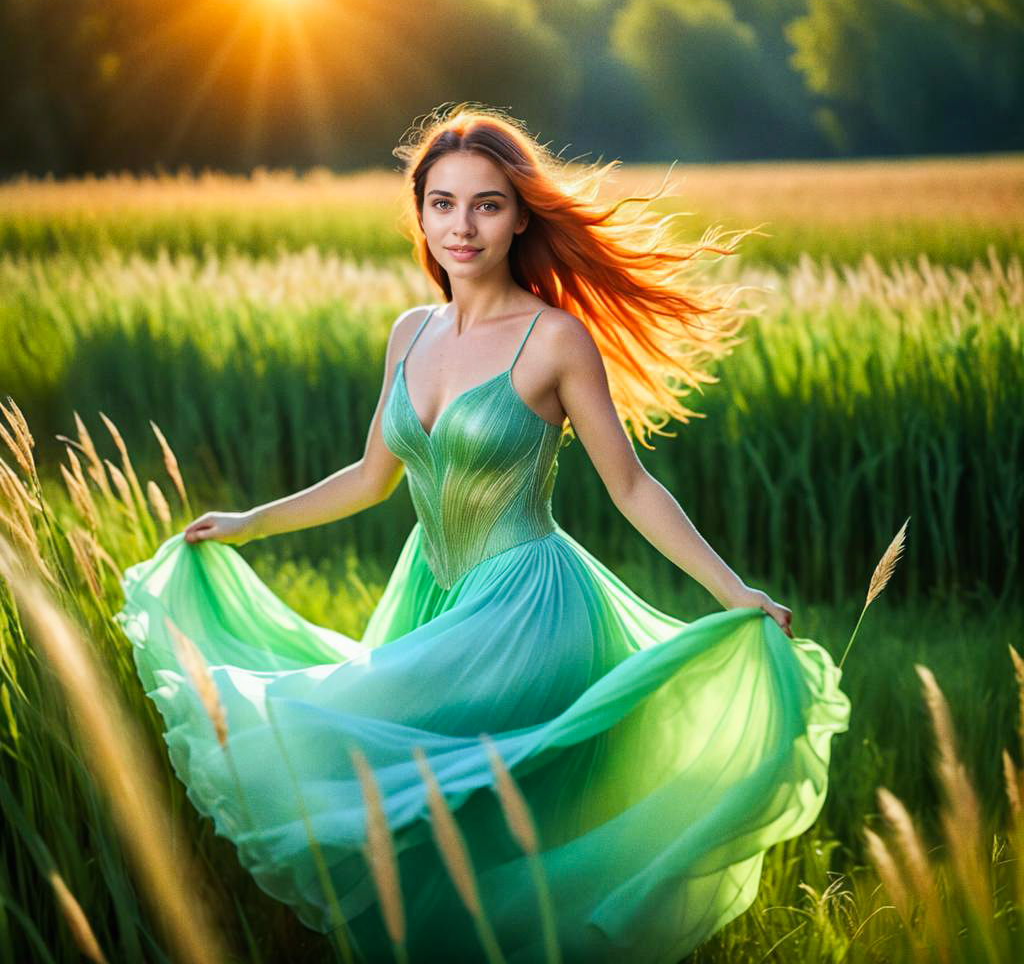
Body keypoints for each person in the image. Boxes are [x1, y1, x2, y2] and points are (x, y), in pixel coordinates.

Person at [117, 103, 850, 962]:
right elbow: (369, 478)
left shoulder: (555, 340)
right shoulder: (411, 331)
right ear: (419, 212)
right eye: (442, 203)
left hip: (528, 611)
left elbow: (632, 485)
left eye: (487, 205)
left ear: (520, 214)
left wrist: (736, 592)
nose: (461, 226)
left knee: (326, 732)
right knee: (438, 824)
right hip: (433, 596)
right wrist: (249, 523)